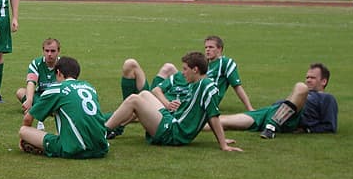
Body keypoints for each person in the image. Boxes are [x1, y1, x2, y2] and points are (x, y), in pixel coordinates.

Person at [104, 51, 242, 152]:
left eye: (185, 69)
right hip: (171, 121)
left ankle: (102, 132)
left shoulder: (206, 86)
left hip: (174, 132)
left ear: (195, 70)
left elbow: (213, 116)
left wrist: (223, 144)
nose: (182, 73)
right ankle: (113, 127)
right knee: (145, 94)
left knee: (134, 99)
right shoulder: (198, 83)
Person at [18, 57, 110, 159]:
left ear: (58, 72)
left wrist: (24, 139)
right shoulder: (90, 87)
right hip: (101, 148)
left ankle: (46, 147)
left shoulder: (56, 89)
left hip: (75, 149)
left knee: (24, 130)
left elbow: (27, 119)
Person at [218, 63, 338, 137]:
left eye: (313, 78)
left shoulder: (327, 98)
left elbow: (330, 126)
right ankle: (198, 127)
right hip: (270, 112)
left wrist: (307, 129)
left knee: (301, 87)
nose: (308, 80)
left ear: (324, 81)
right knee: (220, 121)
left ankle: (271, 127)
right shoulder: (300, 93)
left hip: (292, 118)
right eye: (307, 77)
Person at [203, 36, 253, 110]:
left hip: (207, 100)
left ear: (219, 49)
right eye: (206, 47)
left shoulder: (225, 63)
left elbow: (237, 86)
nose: (207, 49)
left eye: (211, 47)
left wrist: (249, 108)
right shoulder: (203, 63)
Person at [16, 38, 62, 114]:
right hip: (41, 96)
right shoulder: (36, 63)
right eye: (47, 51)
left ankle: (38, 109)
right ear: (43, 51)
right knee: (20, 92)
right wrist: (29, 100)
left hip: (56, 96)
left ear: (58, 51)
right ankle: (48, 110)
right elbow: (31, 83)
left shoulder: (63, 64)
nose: (49, 54)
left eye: (53, 51)